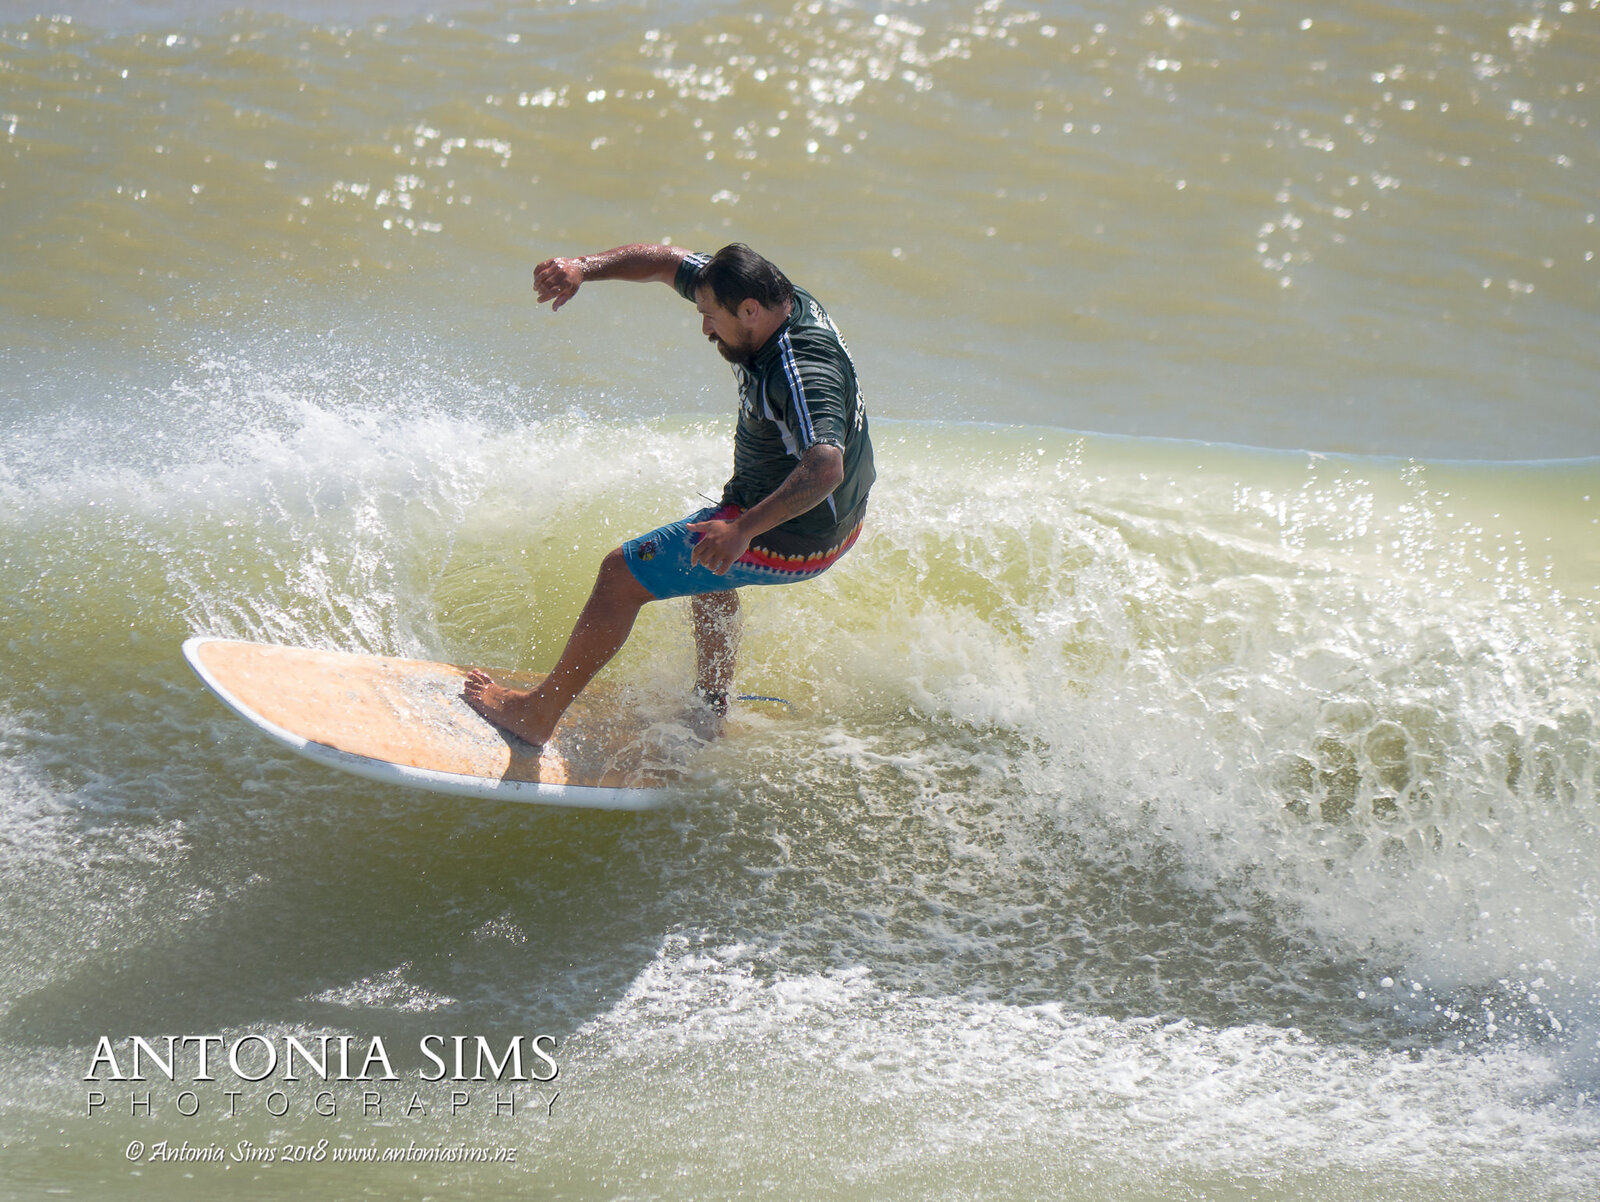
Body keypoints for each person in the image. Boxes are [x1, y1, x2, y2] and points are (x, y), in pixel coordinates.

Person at [463, 242, 875, 747]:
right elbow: (664, 261)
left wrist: (743, 530)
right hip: (827, 514)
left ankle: (537, 714)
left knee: (620, 574)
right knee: (709, 559)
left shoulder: (800, 369)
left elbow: (825, 466)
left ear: (750, 310)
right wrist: (581, 270)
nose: (704, 328)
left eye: (711, 317)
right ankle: (710, 707)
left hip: (802, 532)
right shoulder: (767, 298)